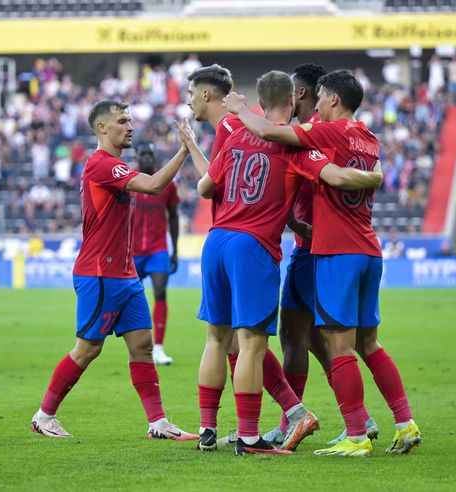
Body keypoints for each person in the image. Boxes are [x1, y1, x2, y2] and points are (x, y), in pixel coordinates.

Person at [224, 69, 421, 457]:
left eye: (318, 98)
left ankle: (356, 432)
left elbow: (271, 135)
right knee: (367, 343)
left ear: (329, 99)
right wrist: (374, 177)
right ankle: (404, 421)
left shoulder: (326, 132)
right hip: (367, 248)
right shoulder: (369, 138)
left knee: (336, 345)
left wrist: (241, 109)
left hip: (332, 251)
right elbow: (362, 175)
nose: (313, 105)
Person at [188, 70, 383, 456]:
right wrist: (373, 177)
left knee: (216, 338)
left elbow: (206, 187)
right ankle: (249, 437)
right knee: (250, 344)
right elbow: (337, 177)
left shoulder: (236, 134)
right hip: (254, 246)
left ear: (259, 101)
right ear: (292, 102)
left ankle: (207, 430)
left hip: (217, 240)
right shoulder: (294, 146)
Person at [30, 100, 197, 441]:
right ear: (102, 128)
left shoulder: (116, 165)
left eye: (131, 120)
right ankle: (44, 416)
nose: (130, 126)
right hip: (99, 274)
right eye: (122, 121)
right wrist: (184, 150)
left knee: (143, 346)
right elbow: (152, 186)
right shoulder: (101, 165)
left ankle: (158, 422)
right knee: (88, 349)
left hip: (125, 274)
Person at [131, 141, 180, 366]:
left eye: (151, 154)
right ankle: (137, 346)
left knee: (160, 292)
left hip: (158, 249)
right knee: (129, 296)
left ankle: (158, 348)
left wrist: (175, 250)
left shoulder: (167, 184)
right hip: (132, 251)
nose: (148, 158)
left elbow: (174, 216)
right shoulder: (129, 181)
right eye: (144, 154)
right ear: (137, 157)